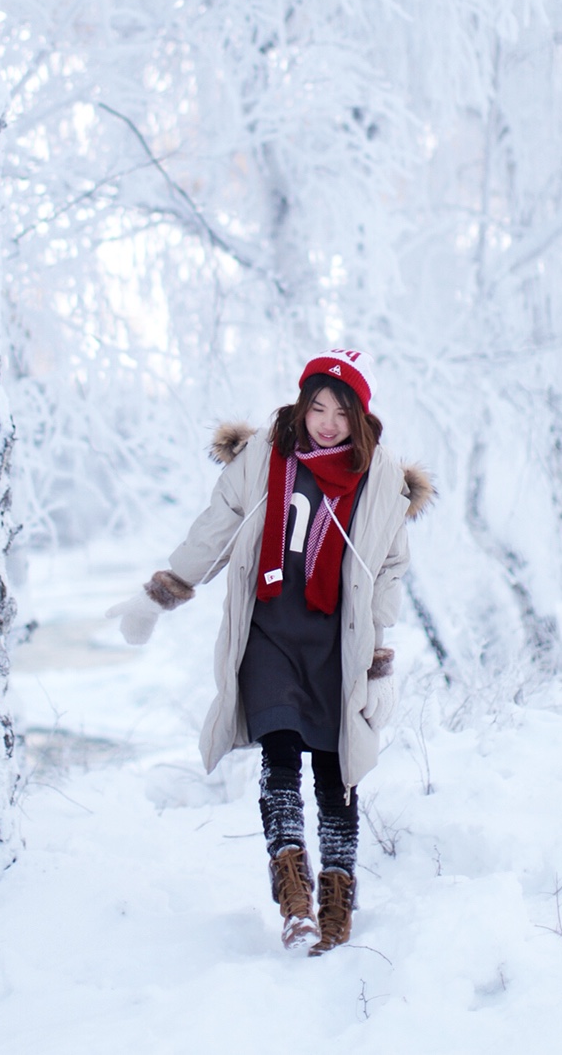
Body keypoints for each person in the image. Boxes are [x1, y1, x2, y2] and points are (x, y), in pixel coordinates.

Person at [109, 350, 433, 954]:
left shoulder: (381, 477)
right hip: (270, 633)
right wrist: (162, 592)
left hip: (338, 641)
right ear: (302, 405)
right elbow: (217, 525)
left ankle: (337, 901)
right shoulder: (266, 455)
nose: (327, 422)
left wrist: (377, 661)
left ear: (359, 415)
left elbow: (388, 567)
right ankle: (294, 899)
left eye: (341, 411)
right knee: (279, 751)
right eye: (317, 407)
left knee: (337, 772)